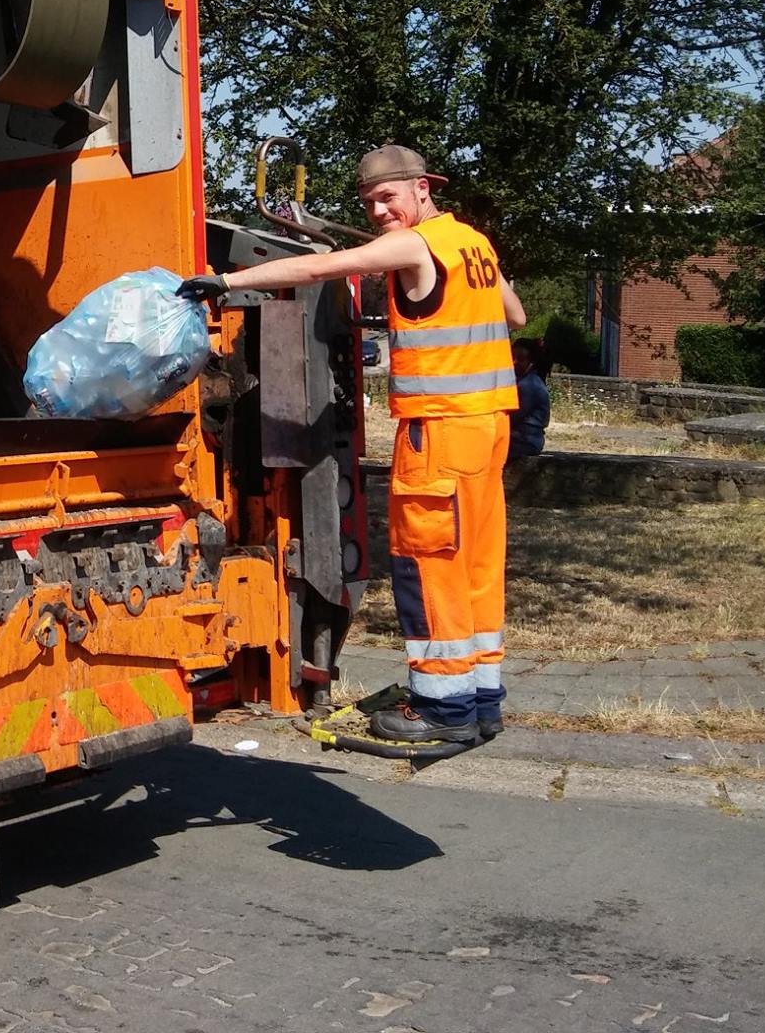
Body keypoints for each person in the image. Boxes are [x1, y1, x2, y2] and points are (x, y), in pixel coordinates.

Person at [181, 145, 525, 746]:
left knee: (429, 564)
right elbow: (514, 314)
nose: (379, 212)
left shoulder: (414, 246)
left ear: (423, 188)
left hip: (438, 432)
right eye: (369, 203)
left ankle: (441, 709)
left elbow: (317, 270)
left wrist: (225, 280)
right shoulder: (472, 244)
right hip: (488, 428)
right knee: (476, 564)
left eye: (388, 198)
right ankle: (480, 700)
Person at [511, 338, 551, 458]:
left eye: (521, 359)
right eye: (512, 357)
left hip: (526, 441)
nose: (514, 362)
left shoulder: (529, 385)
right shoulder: (527, 381)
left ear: (532, 362)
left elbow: (513, 416)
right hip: (527, 439)